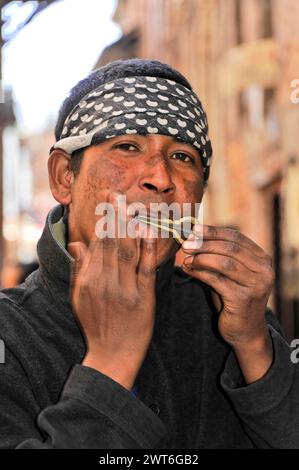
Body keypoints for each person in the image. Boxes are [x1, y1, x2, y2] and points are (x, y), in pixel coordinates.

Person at [0, 58, 297, 449]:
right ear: (63, 177)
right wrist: (111, 364)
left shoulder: (228, 313)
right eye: (126, 147)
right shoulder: (11, 333)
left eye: (182, 157)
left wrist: (255, 344)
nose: (160, 178)